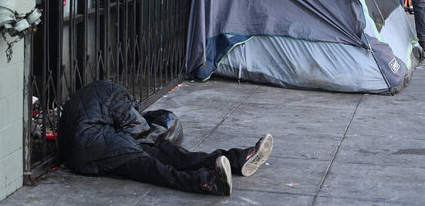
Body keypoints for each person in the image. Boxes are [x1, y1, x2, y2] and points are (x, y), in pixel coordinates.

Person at [58, 80, 273, 196]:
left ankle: (236, 160)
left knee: (163, 155)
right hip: (96, 145)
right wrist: (157, 139)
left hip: (81, 148)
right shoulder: (119, 96)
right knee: (156, 164)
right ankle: (206, 182)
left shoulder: (99, 93)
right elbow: (138, 128)